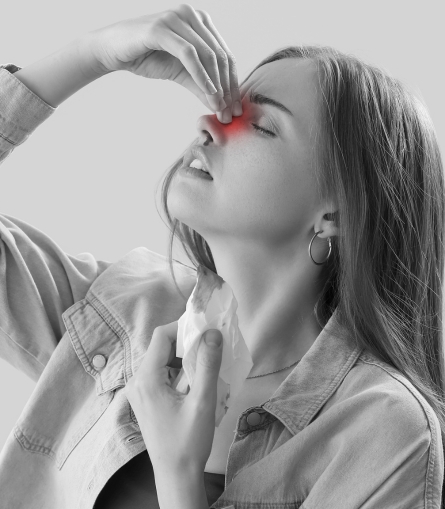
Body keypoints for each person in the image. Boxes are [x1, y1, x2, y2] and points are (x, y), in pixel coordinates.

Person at [0, 4, 443, 508]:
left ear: (336, 215)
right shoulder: (120, 310)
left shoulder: (383, 432)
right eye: (227, 108)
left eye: (262, 126)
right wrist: (92, 54)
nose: (209, 123)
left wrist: (180, 475)